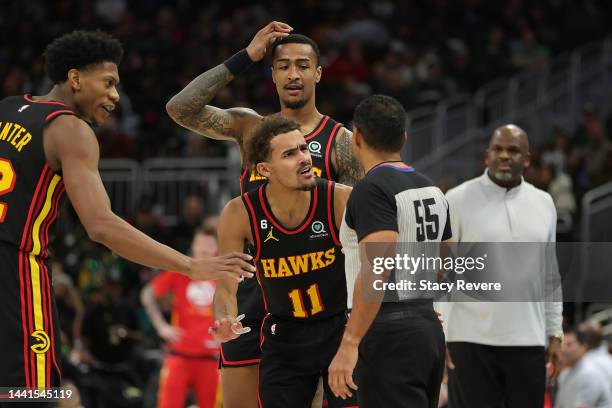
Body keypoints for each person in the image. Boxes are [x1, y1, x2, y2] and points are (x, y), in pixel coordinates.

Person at [0, 30, 253, 391]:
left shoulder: (7, 108)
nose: (115, 96)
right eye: (108, 83)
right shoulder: (69, 129)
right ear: (75, 79)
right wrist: (190, 265)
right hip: (15, 268)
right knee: (29, 395)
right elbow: (101, 225)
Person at [166, 22, 363, 407]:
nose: (293, 73)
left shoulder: (339, 142)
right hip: (251, 294)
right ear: (271, 74)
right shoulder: (249, 127)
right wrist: (246, 56)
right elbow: (179, 108)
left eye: (303, 65)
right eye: (283, 65)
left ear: (318, 73)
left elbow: (363, 238)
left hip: (315, 303)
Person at [209, 115, 356, 408]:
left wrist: (417, 302)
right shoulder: (240, 213)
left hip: (340, 329)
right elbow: (226, 287)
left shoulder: (340, 199)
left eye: (304, 148)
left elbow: (382, 256)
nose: (304, 159)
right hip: (284, 336)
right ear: (264, 169)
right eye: (290, 154)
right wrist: (224, 318)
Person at [328, 95, 451, 407]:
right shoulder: (432, 188)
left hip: (388, 331)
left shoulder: (371, 189)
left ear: (356, 137)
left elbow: (377, 266)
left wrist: (350, 342)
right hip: (427, 326)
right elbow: (446, 261)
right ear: (404, 138)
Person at [442, 124, 563, 408]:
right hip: (468, 339)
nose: (505, 156)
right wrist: (441, 332)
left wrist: (554, 332)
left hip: (528, 340)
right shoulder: (456, 200)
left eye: (513, 150)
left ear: (528, 159)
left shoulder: (544, 203)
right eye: (498, 149)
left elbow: (550, 274)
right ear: (486, 156)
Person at [141, 227, 221, 408]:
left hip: (211, 357)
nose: (205, 248)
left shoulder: (223, 275)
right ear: (193, 245)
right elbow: (147, 294)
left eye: (210, 244)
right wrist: (162, 327)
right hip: (179, 355)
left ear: (217, 247)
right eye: (201, 243)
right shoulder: (181, 270)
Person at [555, 326, 612, 408]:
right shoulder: (564, 374)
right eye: (562, 344)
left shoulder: (589, 373)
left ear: (583, 346)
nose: (563, 349)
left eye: (569, 344)